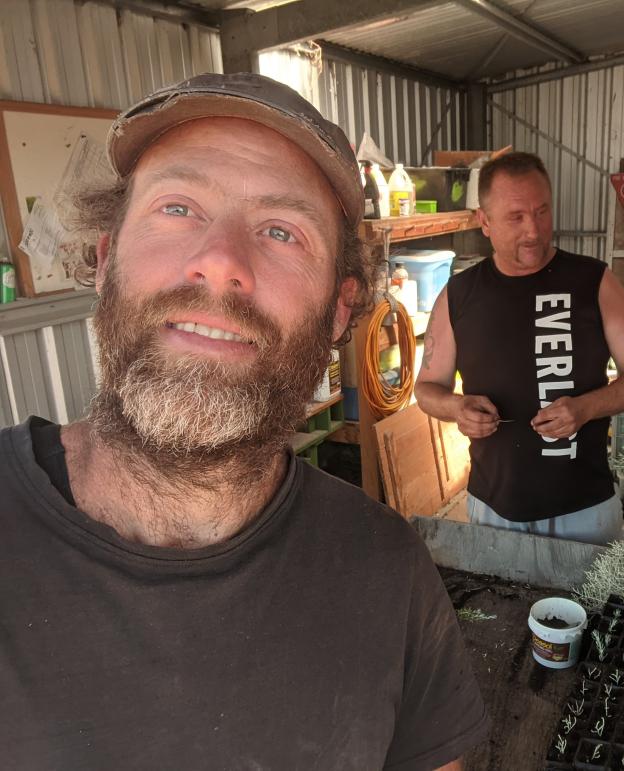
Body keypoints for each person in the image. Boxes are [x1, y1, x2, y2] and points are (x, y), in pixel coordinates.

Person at [0, 72, 488, 770]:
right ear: (106, 261)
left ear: (339, 310)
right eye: (178, 207)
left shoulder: (388, 571)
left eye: (281, 230)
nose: (222, 262)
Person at [414, 152, 624, 545]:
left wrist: (584, 409)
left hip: (585, 508)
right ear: (485, 222)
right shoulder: (459, 295)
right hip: (495, 508)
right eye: (516, 217)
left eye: (542, 212)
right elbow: (426, 389)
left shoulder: (593, 281)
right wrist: (456, 408)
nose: (534, 230)